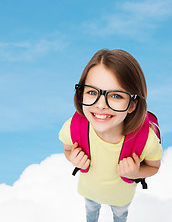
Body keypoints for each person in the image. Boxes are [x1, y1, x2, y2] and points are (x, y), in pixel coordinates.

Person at [59, 49, 163, 222]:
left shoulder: (146, 141)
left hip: (121, 198)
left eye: (115, 95)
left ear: (132, 104)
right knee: (91, 212)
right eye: (92, 92)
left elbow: (154, 167)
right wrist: (73, 158)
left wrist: (136, 172)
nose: (100, 105)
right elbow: (67, 148)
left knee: (120, 216)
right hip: (89, 192)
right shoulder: (73, 127)